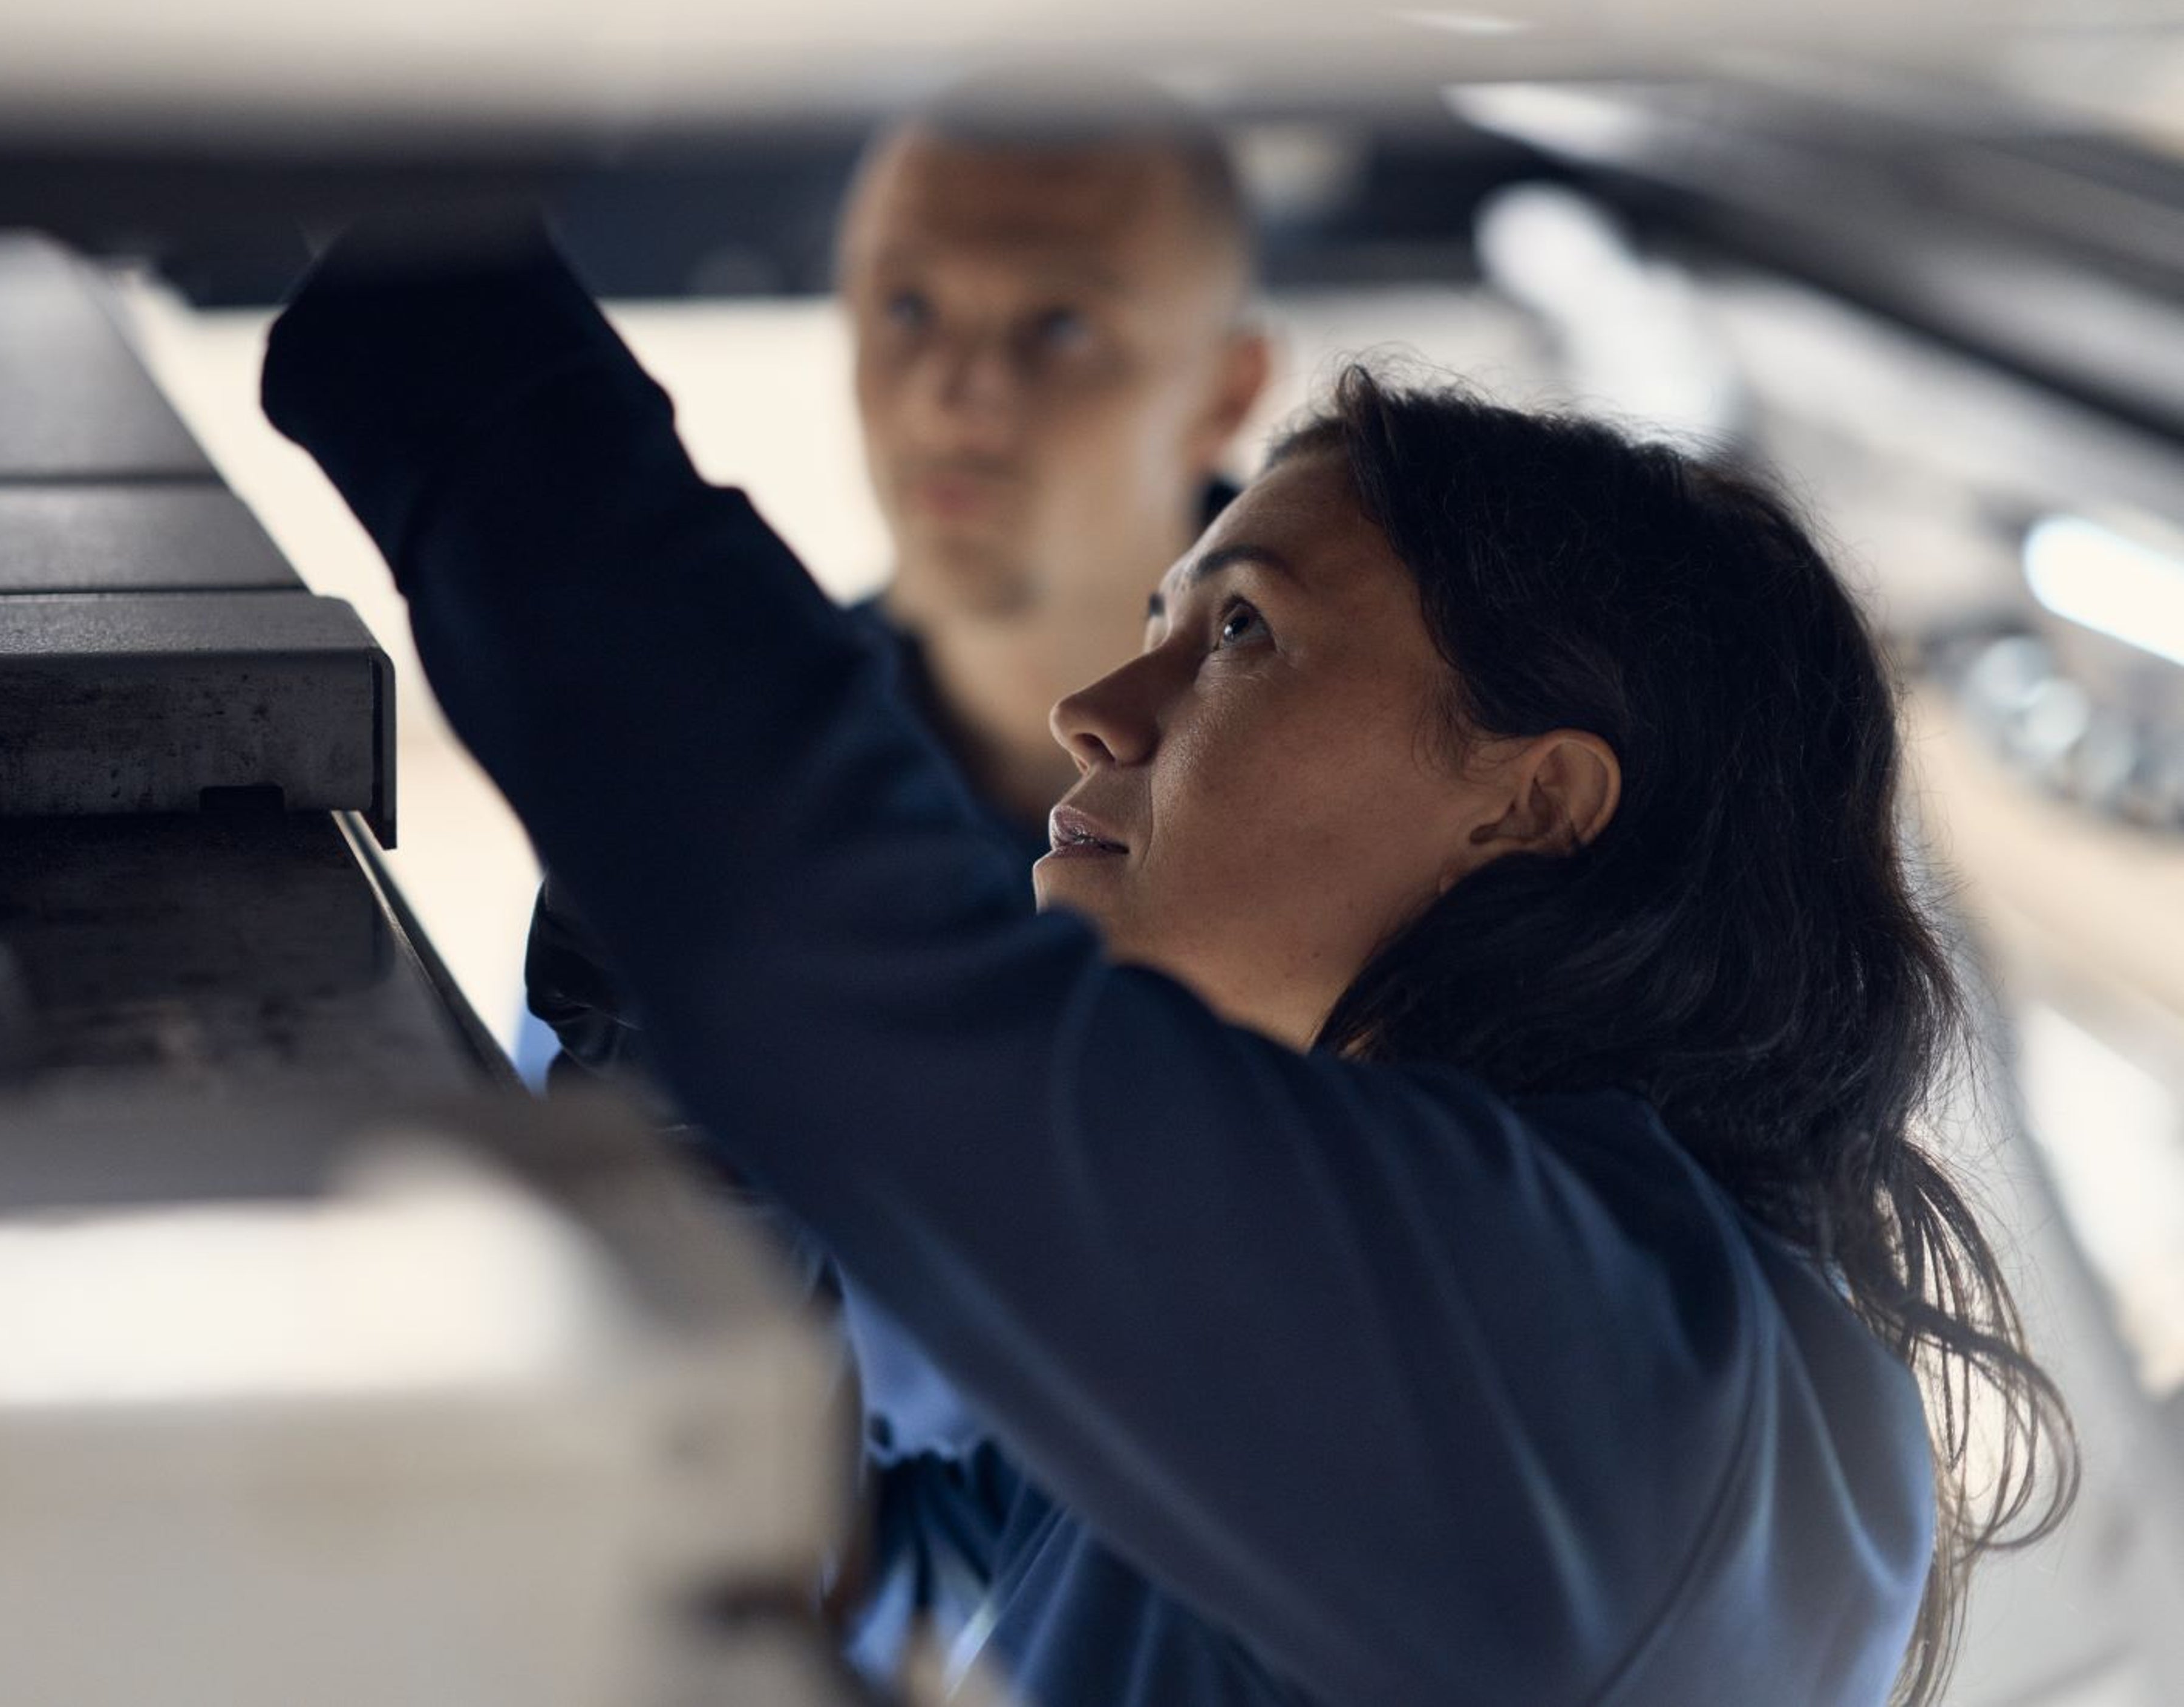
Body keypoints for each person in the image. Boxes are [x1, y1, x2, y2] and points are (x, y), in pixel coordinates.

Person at [263, 222, 2074, 1706]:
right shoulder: (1478, 1336)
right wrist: (666, 1045)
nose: (1098, 709)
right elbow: (878, 1551)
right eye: (1162, 623)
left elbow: (879, 1004)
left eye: (1242, 634)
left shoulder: (1629, 1381)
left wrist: (423, 278)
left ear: (1529, 806)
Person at [525, 80, 1271, 1079]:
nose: (951, 392)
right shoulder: (729, 773)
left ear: (1227, 393)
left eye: (1059, 325)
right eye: (908, 305)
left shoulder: (1378, 781)